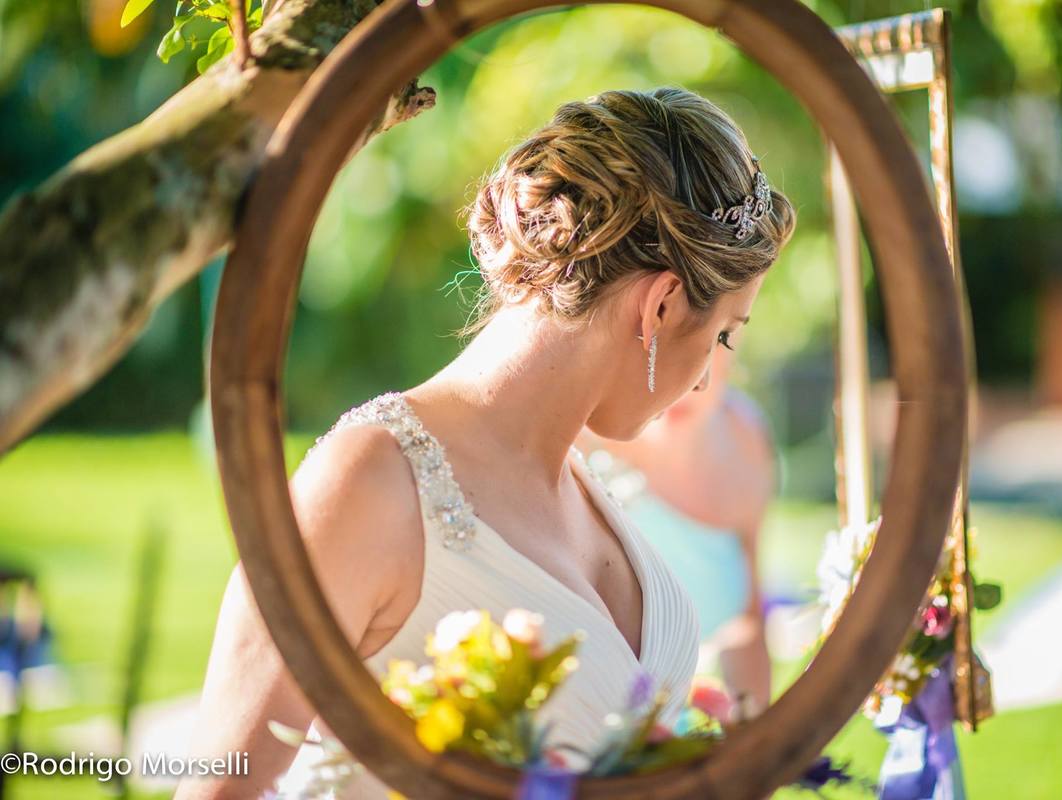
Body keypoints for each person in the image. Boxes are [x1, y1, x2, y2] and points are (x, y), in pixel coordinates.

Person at [176, 87, 795, 799]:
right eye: (724, 333)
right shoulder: (366, 486)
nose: (708, 377)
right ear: (658, 305)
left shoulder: (585, 482)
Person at [580, 346, 775, 718]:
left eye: (712, 341)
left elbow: (748, 623)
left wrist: (749, 738)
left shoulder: (746, 439)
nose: (682, 378)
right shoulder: (585, 438)